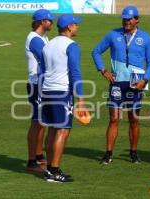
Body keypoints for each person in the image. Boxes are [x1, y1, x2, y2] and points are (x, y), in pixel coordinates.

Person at [92, 5, 150, 164]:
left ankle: (133, 153)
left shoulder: (146, 38)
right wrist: (103, 70)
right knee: (114, 119)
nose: (126, 22)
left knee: (134, 119)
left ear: (137, 19)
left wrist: (144, 80)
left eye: (129, 19)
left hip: (136, 83)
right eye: (124, 19)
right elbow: (96, 51)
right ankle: (108, 153)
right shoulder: (113, 34)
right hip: (117, 83)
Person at [41, 14, 87, 182]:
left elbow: (43, 70)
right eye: (75, 24)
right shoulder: (72, 46)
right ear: (69, 27)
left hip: (46, 90)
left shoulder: (48, 45)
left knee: (52, 129)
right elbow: (75, 72)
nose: (77, 27)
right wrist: (80, 99)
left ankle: (49, 169)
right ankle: (54, 170)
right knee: (63, 130)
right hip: (61, 92)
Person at [25, 9, 56, 172]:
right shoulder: (35, 40)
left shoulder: (43, 37)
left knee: (41, 121)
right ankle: (31, 161)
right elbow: (46, 58)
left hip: (42, 83)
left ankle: (38, 155)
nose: (51, 23)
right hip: (36, 84)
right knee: (36, 122)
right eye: (49, 20)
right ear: (41, 22)